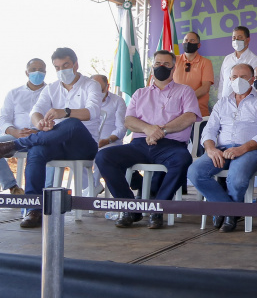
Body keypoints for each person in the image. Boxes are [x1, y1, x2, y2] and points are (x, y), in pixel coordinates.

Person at [0, 48, 101, 228]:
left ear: (76, 65)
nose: (61, 70)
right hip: (56, 143)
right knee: (37, 150)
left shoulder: (90, 84)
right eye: (57, 67)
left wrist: (65, 112)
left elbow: (92, 112)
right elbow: (35, 111)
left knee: (72, 123)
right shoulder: (51, 88)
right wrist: (39, 123)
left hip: (83, 145)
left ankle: (15, 144)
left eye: (66, 65)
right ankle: (34, 209)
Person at [95, 50, 200, 229]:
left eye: (166, 64)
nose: (162, 67)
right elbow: (129, 120)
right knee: (104, 157)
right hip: (140, 145)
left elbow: (189, 116)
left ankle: (157, 208)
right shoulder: (140, 93)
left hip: (171, 145)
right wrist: (148, 129)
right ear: (152, 67)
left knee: (183, 160)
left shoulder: (185, 91)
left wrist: (162, 131)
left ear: (174, 68)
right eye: (158, 63)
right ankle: (129, 207)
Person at [188, 63, 257, 233]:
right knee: (195, 172)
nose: (238, 80)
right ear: (229, 79)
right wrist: (211, 149)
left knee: (236, 180)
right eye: (235, 77)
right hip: (220, 149)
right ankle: (230, 211)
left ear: (252, 80)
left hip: (249, 150)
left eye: (243, 77)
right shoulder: (222, 102)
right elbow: (209, 130)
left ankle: (224, 212)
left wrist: (241, 149)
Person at [0, 59, 48, 195]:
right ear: (26, 72)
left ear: (45, 73)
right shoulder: (14, 93)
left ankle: (45, 192)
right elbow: (3, 118)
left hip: (41, 136)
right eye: (34, 69)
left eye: (41, 70)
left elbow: (57, 119)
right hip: (15, 136)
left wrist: (39, 129)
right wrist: (15, 131)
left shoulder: (51, 92)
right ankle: (13, 187)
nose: (37, 72)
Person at [90, 74, 127, 193]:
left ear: (107, 86)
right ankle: (89, 185)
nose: (97, 92)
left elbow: (121, 128)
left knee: (102, 153)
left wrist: (107, 140)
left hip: (111, 142)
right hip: (89, 141)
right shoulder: (85, 101)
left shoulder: (117, 101)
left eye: (100, 89)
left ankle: (94, 186)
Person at [174, 31, 215, 119]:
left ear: (198, 45)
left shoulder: (206, 62)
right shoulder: (174, 60)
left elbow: (205, 88)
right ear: (182, 43)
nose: (188, 42)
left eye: (192, 40)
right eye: (186, 40)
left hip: (198, 112)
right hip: (175, 112)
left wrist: (185, 99)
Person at [219, 26, 257, 99]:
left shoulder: (255, 60)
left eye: (240, 37)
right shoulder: (227, 59)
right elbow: (222, 82)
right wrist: (220, 99)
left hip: (248, 103)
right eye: (234, 38)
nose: (236, 40)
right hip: (226, 103)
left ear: (248, 40)